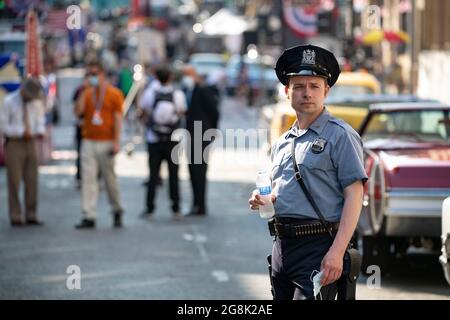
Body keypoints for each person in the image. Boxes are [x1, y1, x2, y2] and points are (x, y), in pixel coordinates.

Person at [248, 45, 368, 300]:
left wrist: (336, 252)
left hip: (319, 246)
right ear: (287, 91)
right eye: (299, 86)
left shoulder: (341, 135)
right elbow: (282, 193)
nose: (307, 93)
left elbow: (354, 196)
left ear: (326, 90)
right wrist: (264, 201)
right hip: (282, 248)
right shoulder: (282, 142)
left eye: (314, 86)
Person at [74, 60, 125, 229]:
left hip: (107, 141)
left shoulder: (114, 94)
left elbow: (118, 118)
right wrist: (84, 91)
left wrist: (116, 142)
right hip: (89, 141)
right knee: (88, 179)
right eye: (90, 75)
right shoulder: (87, 93)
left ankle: (116, 208)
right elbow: (78, 111)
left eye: (95, 74)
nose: (92, 78)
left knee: (110, 179)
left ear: (102, 75)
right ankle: (89, 214)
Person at [139, 65, 187, 219]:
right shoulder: (177, 94)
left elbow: (143, 112)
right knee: (174, 175)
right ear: (170, 78)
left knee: (153, 175)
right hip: (172, 140)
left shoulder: (150, 93)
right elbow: (181, 112)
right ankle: (176, 208)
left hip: (154, 139)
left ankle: (149, 208)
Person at [0, 77, 46, 226]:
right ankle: (16, 214)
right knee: (14, 179)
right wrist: (21, 131)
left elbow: (40, 121)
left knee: (32, 179)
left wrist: (39, 132)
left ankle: (31, 213)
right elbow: (3, 126)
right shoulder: (9, 101)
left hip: (31, 142)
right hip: (14, 142)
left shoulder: (36, 103)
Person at [182, 66, 220, 216]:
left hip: (201, 134)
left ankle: (200, 205)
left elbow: (214, 111)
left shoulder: (203, 90)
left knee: (199, 171)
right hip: (191, 134)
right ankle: (196, 204)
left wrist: (212, 131)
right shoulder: (188, 90)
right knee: (192, 169)